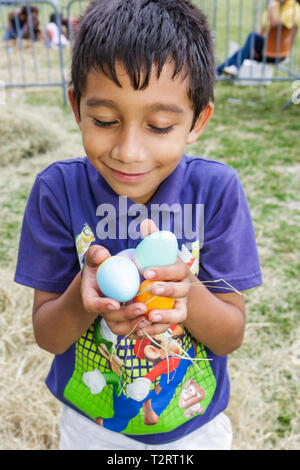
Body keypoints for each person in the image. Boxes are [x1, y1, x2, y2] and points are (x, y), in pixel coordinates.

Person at [15, 0, 262, 450]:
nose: (129, 151)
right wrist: (83, 298)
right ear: (77, 108)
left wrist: (189, 289)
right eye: (106, 121)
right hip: (92, 427)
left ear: (197, 121)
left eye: (161, 126)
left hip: (195, 425)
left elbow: (230, 335)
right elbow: (48, 336)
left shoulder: (217, 190)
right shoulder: (58, 191)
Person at [217, 0, 300, 76]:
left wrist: (271, 4)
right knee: (241, 52)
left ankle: (228, 69)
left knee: (252, 37)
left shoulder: (294, 8)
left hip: (278, 54)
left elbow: (273, 23)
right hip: (266, 49)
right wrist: (252, 47)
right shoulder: (276, 5)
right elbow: (262, 29)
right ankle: (217, 72)